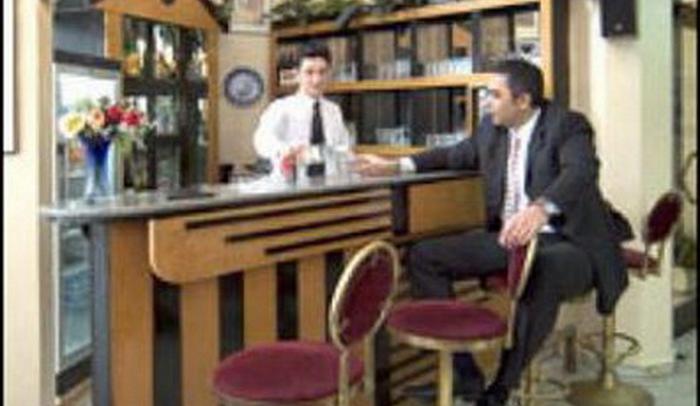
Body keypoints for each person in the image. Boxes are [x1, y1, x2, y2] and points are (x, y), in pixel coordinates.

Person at [355, 59, 629, 406]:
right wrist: (397, 165)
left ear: (523, 100)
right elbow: (455, 154)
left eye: (494, 95)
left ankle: (501, 388)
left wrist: (541, 208)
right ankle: (466, 376)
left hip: (568, 240)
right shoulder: (491, 129)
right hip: (511, 238)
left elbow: (581, 171)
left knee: (540, 270)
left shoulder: (568, 125)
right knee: (425, 256)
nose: (486, 102)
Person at [253, 40, 351, 177]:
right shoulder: (281, 108)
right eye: (309, 72)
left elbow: (344, 149)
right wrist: (285, 150)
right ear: (297, 74)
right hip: (291, 186)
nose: (316, 80)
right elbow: (262, 140)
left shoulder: (334, 111)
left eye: (322, 72)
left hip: (329, 184)